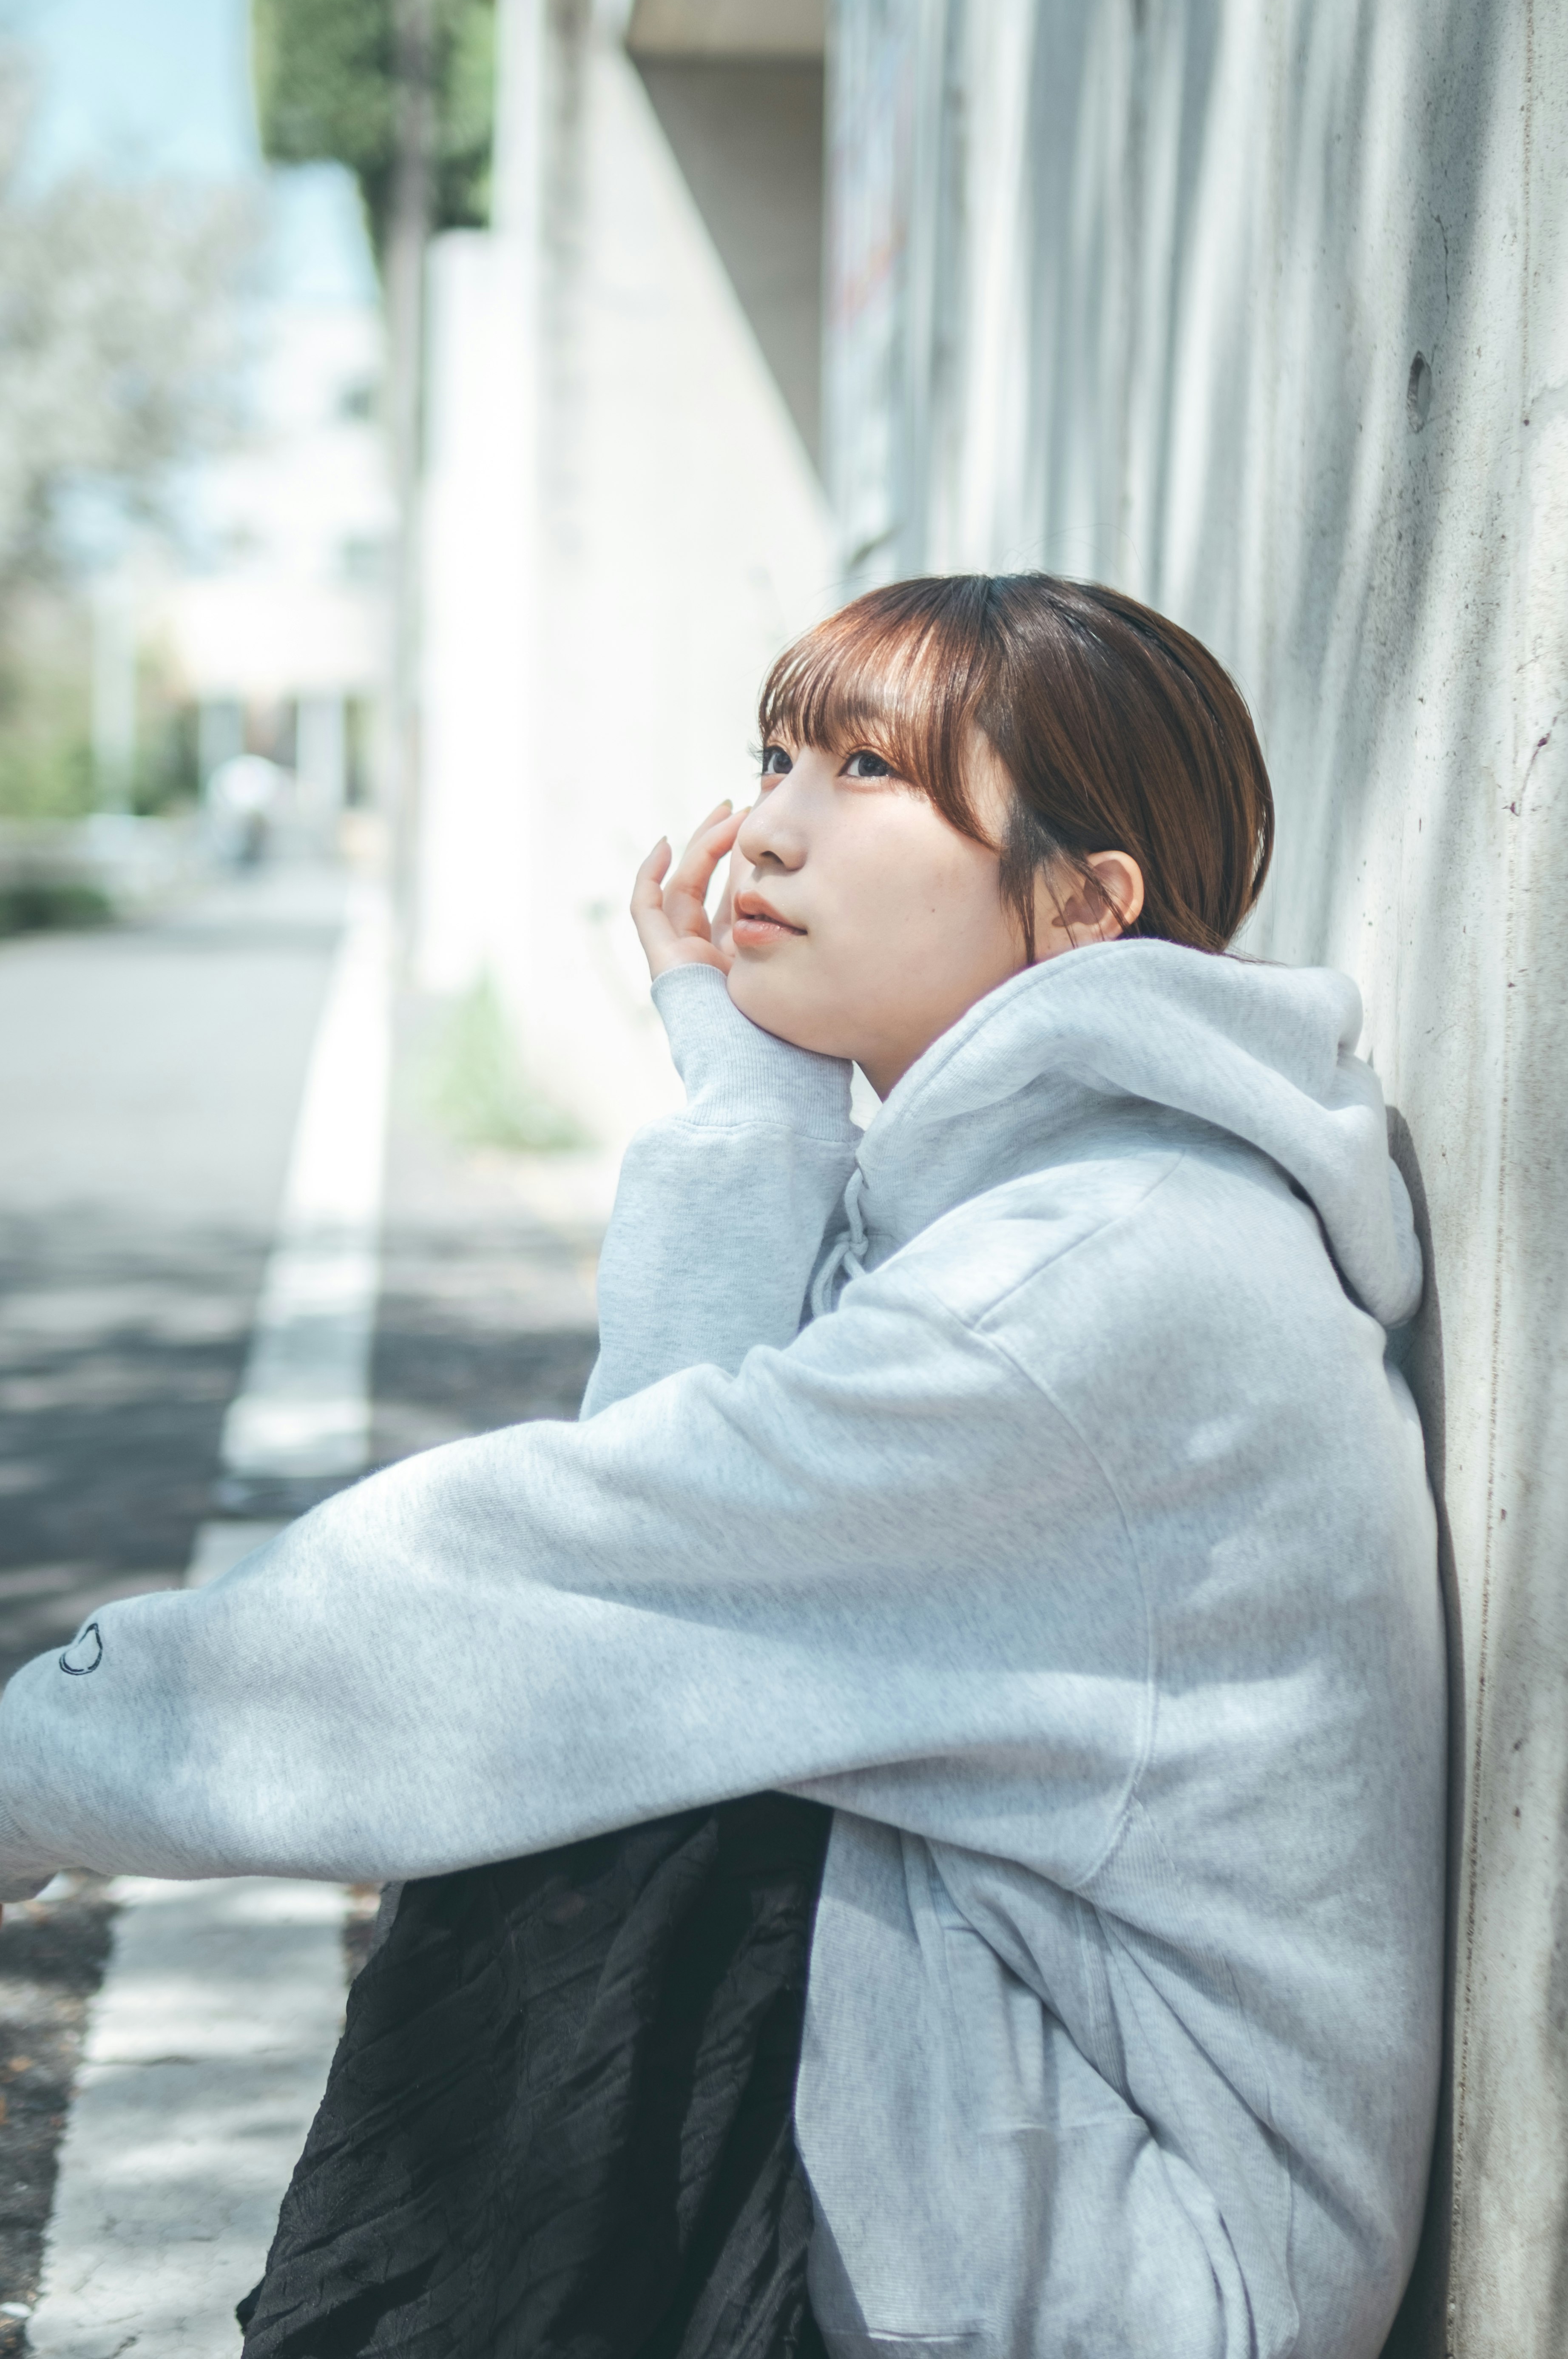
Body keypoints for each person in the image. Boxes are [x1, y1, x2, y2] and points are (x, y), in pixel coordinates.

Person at [0, 575, 1445, 2359]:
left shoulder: (1091, 1283)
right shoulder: (1033, 1205)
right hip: (1019, 2137)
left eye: (864, 771)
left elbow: (573, 1577)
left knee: (556, 1711)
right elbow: (664, 1476)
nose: (764, 827)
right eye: (773, 755)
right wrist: (752, 1088)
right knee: (604, 1702)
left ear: (1082, 905)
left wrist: (31, 1766)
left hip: (1131, 2266)